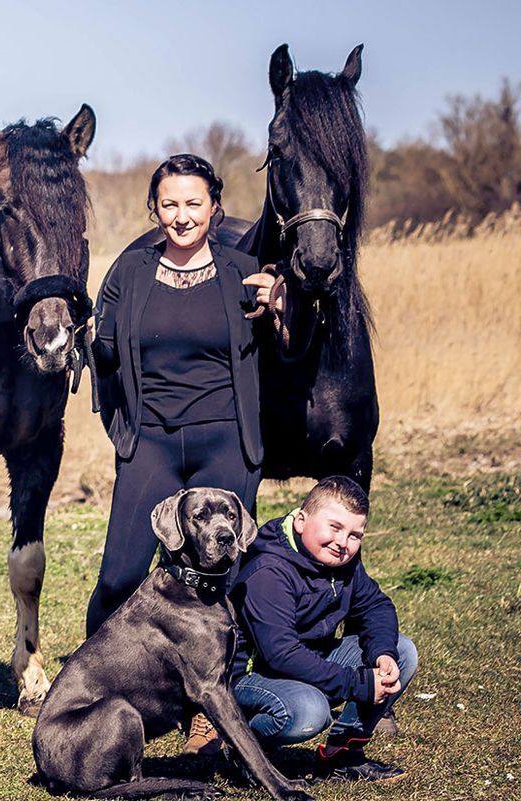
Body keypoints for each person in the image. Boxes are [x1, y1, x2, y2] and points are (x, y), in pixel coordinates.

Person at [87, 153, 280, 637]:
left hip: (226, 443)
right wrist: (86, 336)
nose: (182, 216)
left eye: (193, 203)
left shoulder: (246, 271)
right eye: (168, 204)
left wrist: (283, 308)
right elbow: (106, 355)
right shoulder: (130, 271)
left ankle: (202, 698)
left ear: (214, 206)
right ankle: (90, 687)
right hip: (150, 441)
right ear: (154, 208)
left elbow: (291, 355)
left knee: (217, 578)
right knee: (119, 577)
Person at [204, 476, 416, 783]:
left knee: (402, 650)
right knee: (308, 712)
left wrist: (382, 654)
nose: (343, 542)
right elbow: (281, 654)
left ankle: (343, 756)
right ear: (302, 521)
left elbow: (376, 606)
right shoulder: (268, 571)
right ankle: (246, 752)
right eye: (334, 527)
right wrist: (358, 683)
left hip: (308, 660)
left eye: (355, 535)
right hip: (252, 676)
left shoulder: (342, 560)